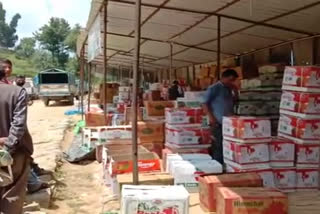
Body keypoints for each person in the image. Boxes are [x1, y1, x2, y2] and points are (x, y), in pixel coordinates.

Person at [0, 64, 33, 213]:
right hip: (15, 152)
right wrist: (7, 148)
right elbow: (18, 124)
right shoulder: (17, 92)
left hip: (10, 148)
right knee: (13, 192)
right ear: (4, 75)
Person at [203, 69, 239, 165]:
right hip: (218, 122)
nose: (232, 82)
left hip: (229, 122)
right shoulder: (214, 88)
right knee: (219, 146)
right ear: (224, 77)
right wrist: (211, 118)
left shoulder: (228, 89)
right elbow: (204, 103)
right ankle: (217, 165)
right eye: (230, 80)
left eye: (233, 80)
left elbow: (235, 101)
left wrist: (235, 90)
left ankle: (225, 165)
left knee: (227, 146)